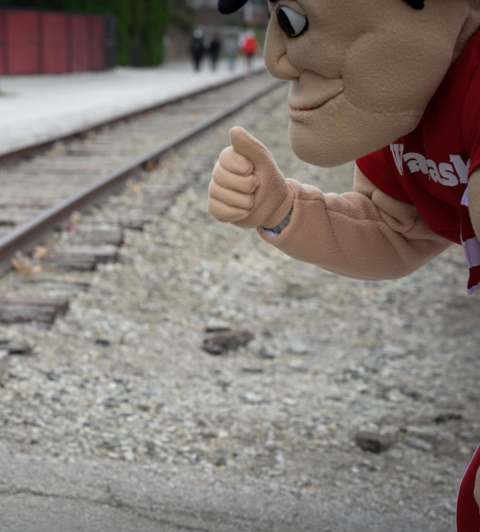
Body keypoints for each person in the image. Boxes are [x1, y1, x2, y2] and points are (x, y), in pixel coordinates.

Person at [210, 0, 480, 529]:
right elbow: (394, 226)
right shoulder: (410, 95)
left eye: (294, 21)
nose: (276, 59)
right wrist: (282, 208)